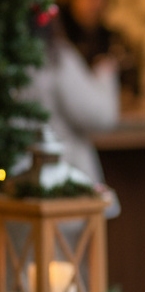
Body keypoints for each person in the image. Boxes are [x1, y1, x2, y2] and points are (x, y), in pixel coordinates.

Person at [23, 17, 119, 186]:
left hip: (22, 176)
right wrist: (104, 75)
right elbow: (100, 116)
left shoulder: (13, 61)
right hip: (64, 178)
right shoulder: (56, 57)